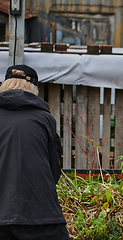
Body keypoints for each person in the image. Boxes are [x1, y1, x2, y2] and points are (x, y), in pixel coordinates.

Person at [0, 65, 71, 239]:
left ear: (4, 84)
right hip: (39, 214)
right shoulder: (44, 119)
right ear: (34, 89)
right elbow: (54, 167)